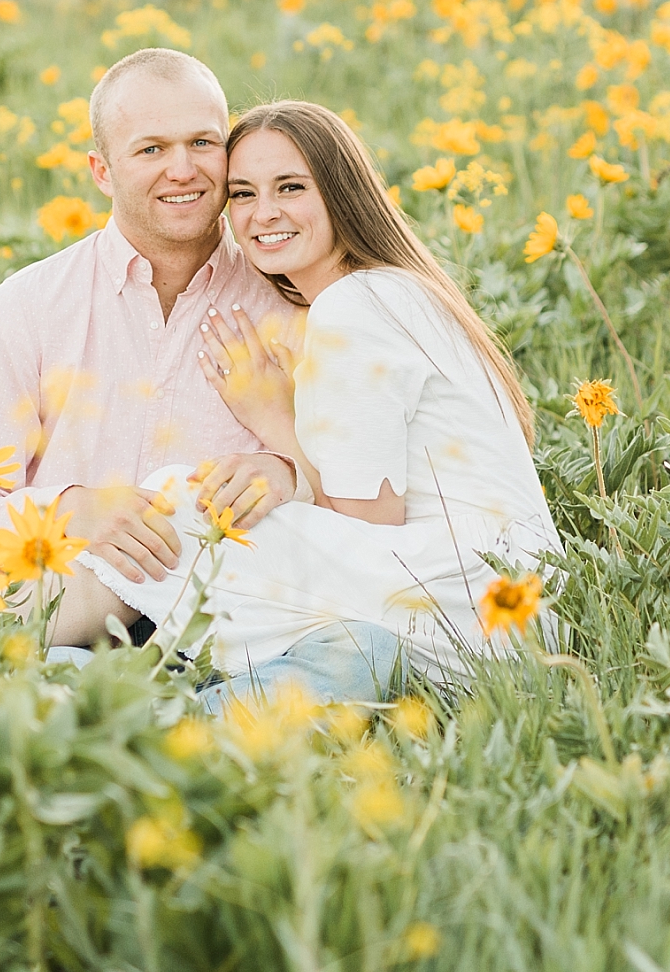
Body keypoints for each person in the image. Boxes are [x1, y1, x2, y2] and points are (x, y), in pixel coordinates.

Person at [66, 99, 563, 697]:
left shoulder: (355, 308)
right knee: (220, 517)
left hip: (472, 610)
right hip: (510, 612)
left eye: (291, 187)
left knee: (184, 506)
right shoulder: (394, 291)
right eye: (243, 194)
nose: (263, 213)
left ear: (341, 195)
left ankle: (15, 643)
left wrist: (273, 417)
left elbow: (367, 522)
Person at [0, 49, 309, 595]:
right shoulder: (28, 309)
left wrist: (289, 475)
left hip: (240, 624)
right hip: (63, 620)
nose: (183, 170)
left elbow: (365, 486)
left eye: (202, 143)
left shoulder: (290, 297)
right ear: (102, 172)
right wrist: (67, 511)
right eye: (151, 149)